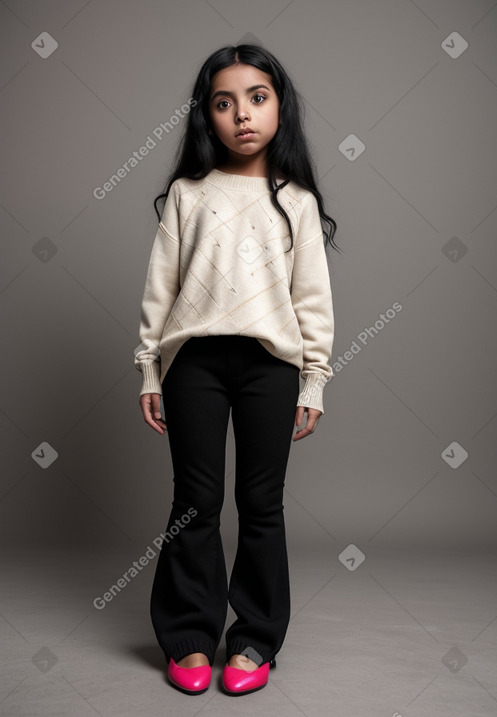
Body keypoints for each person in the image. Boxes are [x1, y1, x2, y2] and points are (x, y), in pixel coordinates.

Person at [134, 43, 340, 697]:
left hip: (268, 367)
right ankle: (190, 636)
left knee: (261, 504)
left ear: (280, 107)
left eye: (257, 97)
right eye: (223, 103)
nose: (241, 115)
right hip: (193, 362)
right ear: (207, 116)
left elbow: (312, 299)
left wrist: (314, 377)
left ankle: (254, 637)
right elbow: (158, 292)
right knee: (194, 501)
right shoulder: (187, 196)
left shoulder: (296, 201)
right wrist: (148, 371)